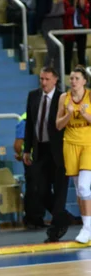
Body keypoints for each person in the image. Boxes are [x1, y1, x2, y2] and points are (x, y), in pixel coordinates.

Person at [23, 66, 69, 242]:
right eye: (41, 78)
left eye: (47, 79)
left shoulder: (62, 98)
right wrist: (28, 149)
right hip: (40, 148)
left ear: (55, 80)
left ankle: (56, 229)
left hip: (59, 151)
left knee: (59, 190)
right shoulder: (33, 96)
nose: (43, 82)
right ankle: (62, 218)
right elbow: (29, 124)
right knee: (39, 188)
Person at [56, 66, 91, 243]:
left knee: (85, 187)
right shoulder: (64, 98)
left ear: (84, 81)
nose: (73, 81)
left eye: (77, 78)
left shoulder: (90, 96)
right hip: (70, 144)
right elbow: (58, 125)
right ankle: (87, 225)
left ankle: (87, 228)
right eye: (71, 78)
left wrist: (86, 115)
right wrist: (69, 114)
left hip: (88, 144)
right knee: (79, 189)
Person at [63, 0, 89, 74]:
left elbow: (87, 11)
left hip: (82, 29)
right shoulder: (65, 2)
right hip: (69, 29)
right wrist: (73, 6)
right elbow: (65, 13)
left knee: (81, 54)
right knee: (68, 54)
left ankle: (82, 75)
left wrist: (82, 5)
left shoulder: (84, 1)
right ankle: (67, 75)